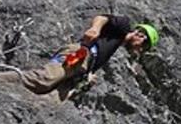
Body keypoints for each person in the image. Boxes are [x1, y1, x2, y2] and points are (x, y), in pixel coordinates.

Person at [14, 14, 159, 96]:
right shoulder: (123, 26)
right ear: (141, 36)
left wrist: (89, 75)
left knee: (52, 100)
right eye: (143, 47)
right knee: (44, 79)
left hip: (82, 67)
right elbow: (103, 17)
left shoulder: (112, 46)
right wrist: (95, 29)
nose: (139, 51)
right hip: (81, 54)